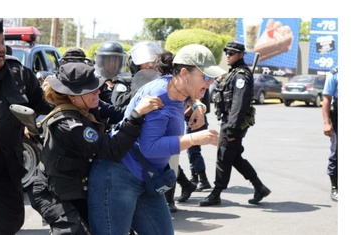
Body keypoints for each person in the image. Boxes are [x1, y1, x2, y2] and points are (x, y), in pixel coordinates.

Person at [87, 44, 222, 235]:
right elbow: (149, 147)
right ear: (184, 73)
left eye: (212, 77)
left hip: (147, 178)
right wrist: (193, 139)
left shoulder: (176, 87)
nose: (210, 82)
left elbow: (183, 94)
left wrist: (198, 105)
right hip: (118, 176)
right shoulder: (159, 95)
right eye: (206, 77)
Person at [27, 62, 163, 235]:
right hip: (53, 193)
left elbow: (120, 113)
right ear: (73, 96)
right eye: (91, 90)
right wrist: (136, 116)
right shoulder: (70, 124)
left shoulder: (89, 106)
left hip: (77, 189)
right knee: (74, 232)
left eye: (97, 87)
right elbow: (113, 149)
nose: (98, 92)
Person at [0, 18, 52, 234]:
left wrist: (66, 94)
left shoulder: (19, 74)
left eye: (2, 41)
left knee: (5, 226)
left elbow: (44, 107)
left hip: (3, 173)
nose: (1, 48)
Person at [199, 41, 271, 207]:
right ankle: (259, 187)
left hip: (233, 123)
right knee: (234, 157)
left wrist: (231, 130)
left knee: (224, 157)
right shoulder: (234, 73)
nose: (227, 56)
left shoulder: (240, 76)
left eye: (231, 53)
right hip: (229, 121)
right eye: (227, 53)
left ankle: (216, 193)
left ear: (240, 55)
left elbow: (238, 105)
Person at [322, 66, 338, 202]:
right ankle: (335, 187)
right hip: (339, 115)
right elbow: (327, 98)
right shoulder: (335, 74)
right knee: (336, 152)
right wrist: (326, 122)